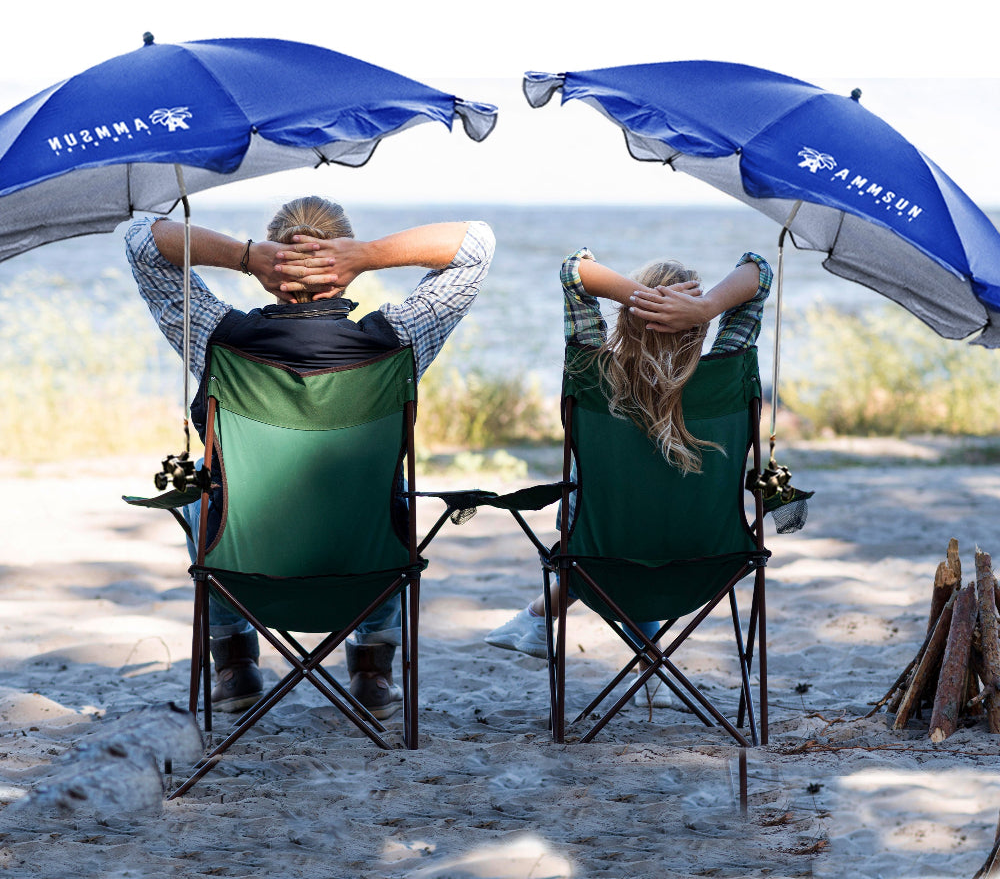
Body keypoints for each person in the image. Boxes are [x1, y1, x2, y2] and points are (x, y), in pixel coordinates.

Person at [126, 197, 495, 719]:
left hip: (244, 574)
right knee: (390, 497)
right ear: (342, 271)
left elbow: (142, 239)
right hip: (364, 575)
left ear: (270, 273)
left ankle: (235, 667)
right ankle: (372, 671)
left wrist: (246, 255)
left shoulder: (217, 340)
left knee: (201, 497)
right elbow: (477, 244)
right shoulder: (398, 341)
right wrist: (365, 254)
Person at [485, 246, 771, 705]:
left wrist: (642, 297)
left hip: (601, 566)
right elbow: (761, 269)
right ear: (700, 333)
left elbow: (572, 270)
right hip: (706, 564)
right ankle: (641, 656)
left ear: (622, 319)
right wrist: (704, 306)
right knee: (649, 515)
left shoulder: (594, 374)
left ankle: (540, 617)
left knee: (595, 509)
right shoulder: (725, 372)